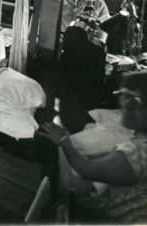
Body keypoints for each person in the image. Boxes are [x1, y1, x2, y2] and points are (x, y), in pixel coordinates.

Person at [39, 71, 147, 223]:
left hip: (116, 220)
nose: (125, 105)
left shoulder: (138, 154)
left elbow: (86, 168)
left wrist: (63, 139)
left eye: (135, 101)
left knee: (55, 208)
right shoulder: (139, 144)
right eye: (123, 95)